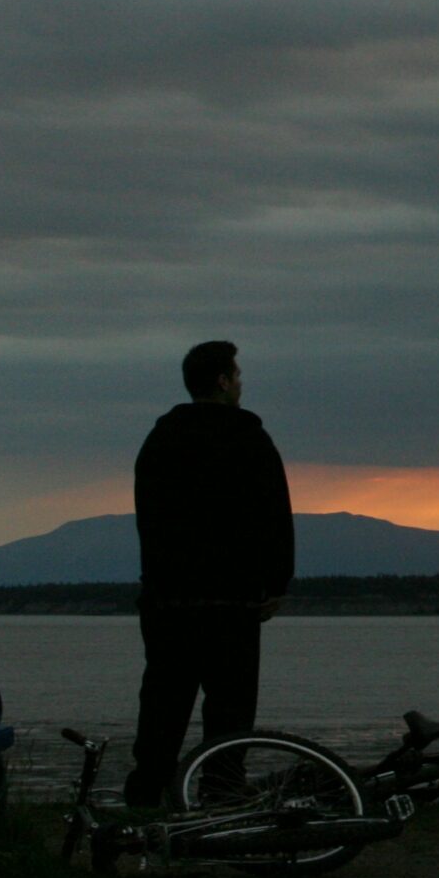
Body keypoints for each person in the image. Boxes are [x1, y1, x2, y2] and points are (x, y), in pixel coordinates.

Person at [123, 340, 295, 807]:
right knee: (230, 709)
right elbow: (276, 515)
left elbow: (147, 518)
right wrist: (277, 582)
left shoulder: (160, 439)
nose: (241, 384)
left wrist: (156, 581)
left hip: (169, 601)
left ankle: (147, 793)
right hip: (232, 601)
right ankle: (220, 793)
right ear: (222, 380)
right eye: (236, 375)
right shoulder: (250, 438)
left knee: (163, 703)